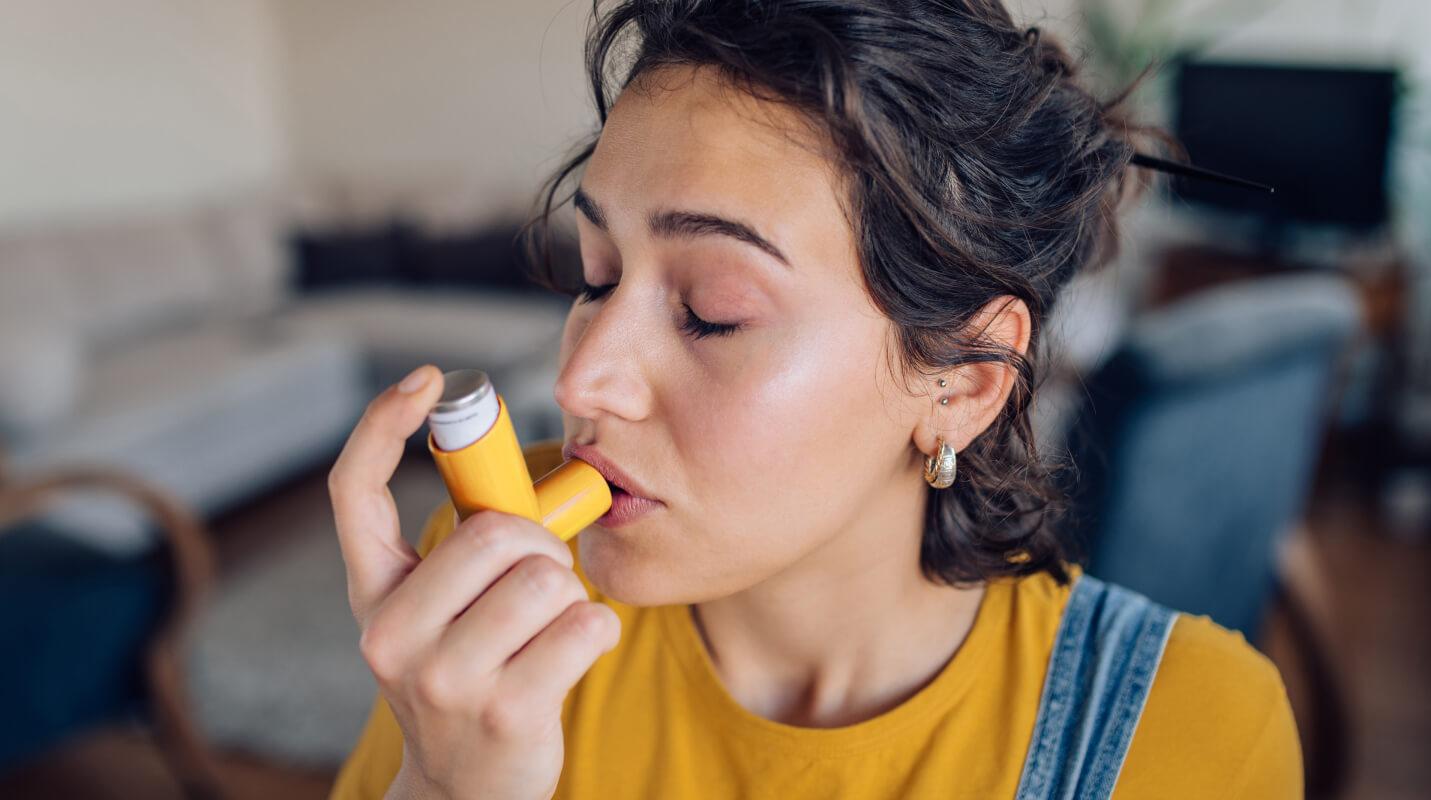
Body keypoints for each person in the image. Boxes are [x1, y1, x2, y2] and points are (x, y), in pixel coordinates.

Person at [326, 1, 1303, 798]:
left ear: (962, 380)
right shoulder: (508, 591)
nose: (580, 377)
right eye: (595, 273)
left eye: (712, 312)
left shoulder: (1191, 734)